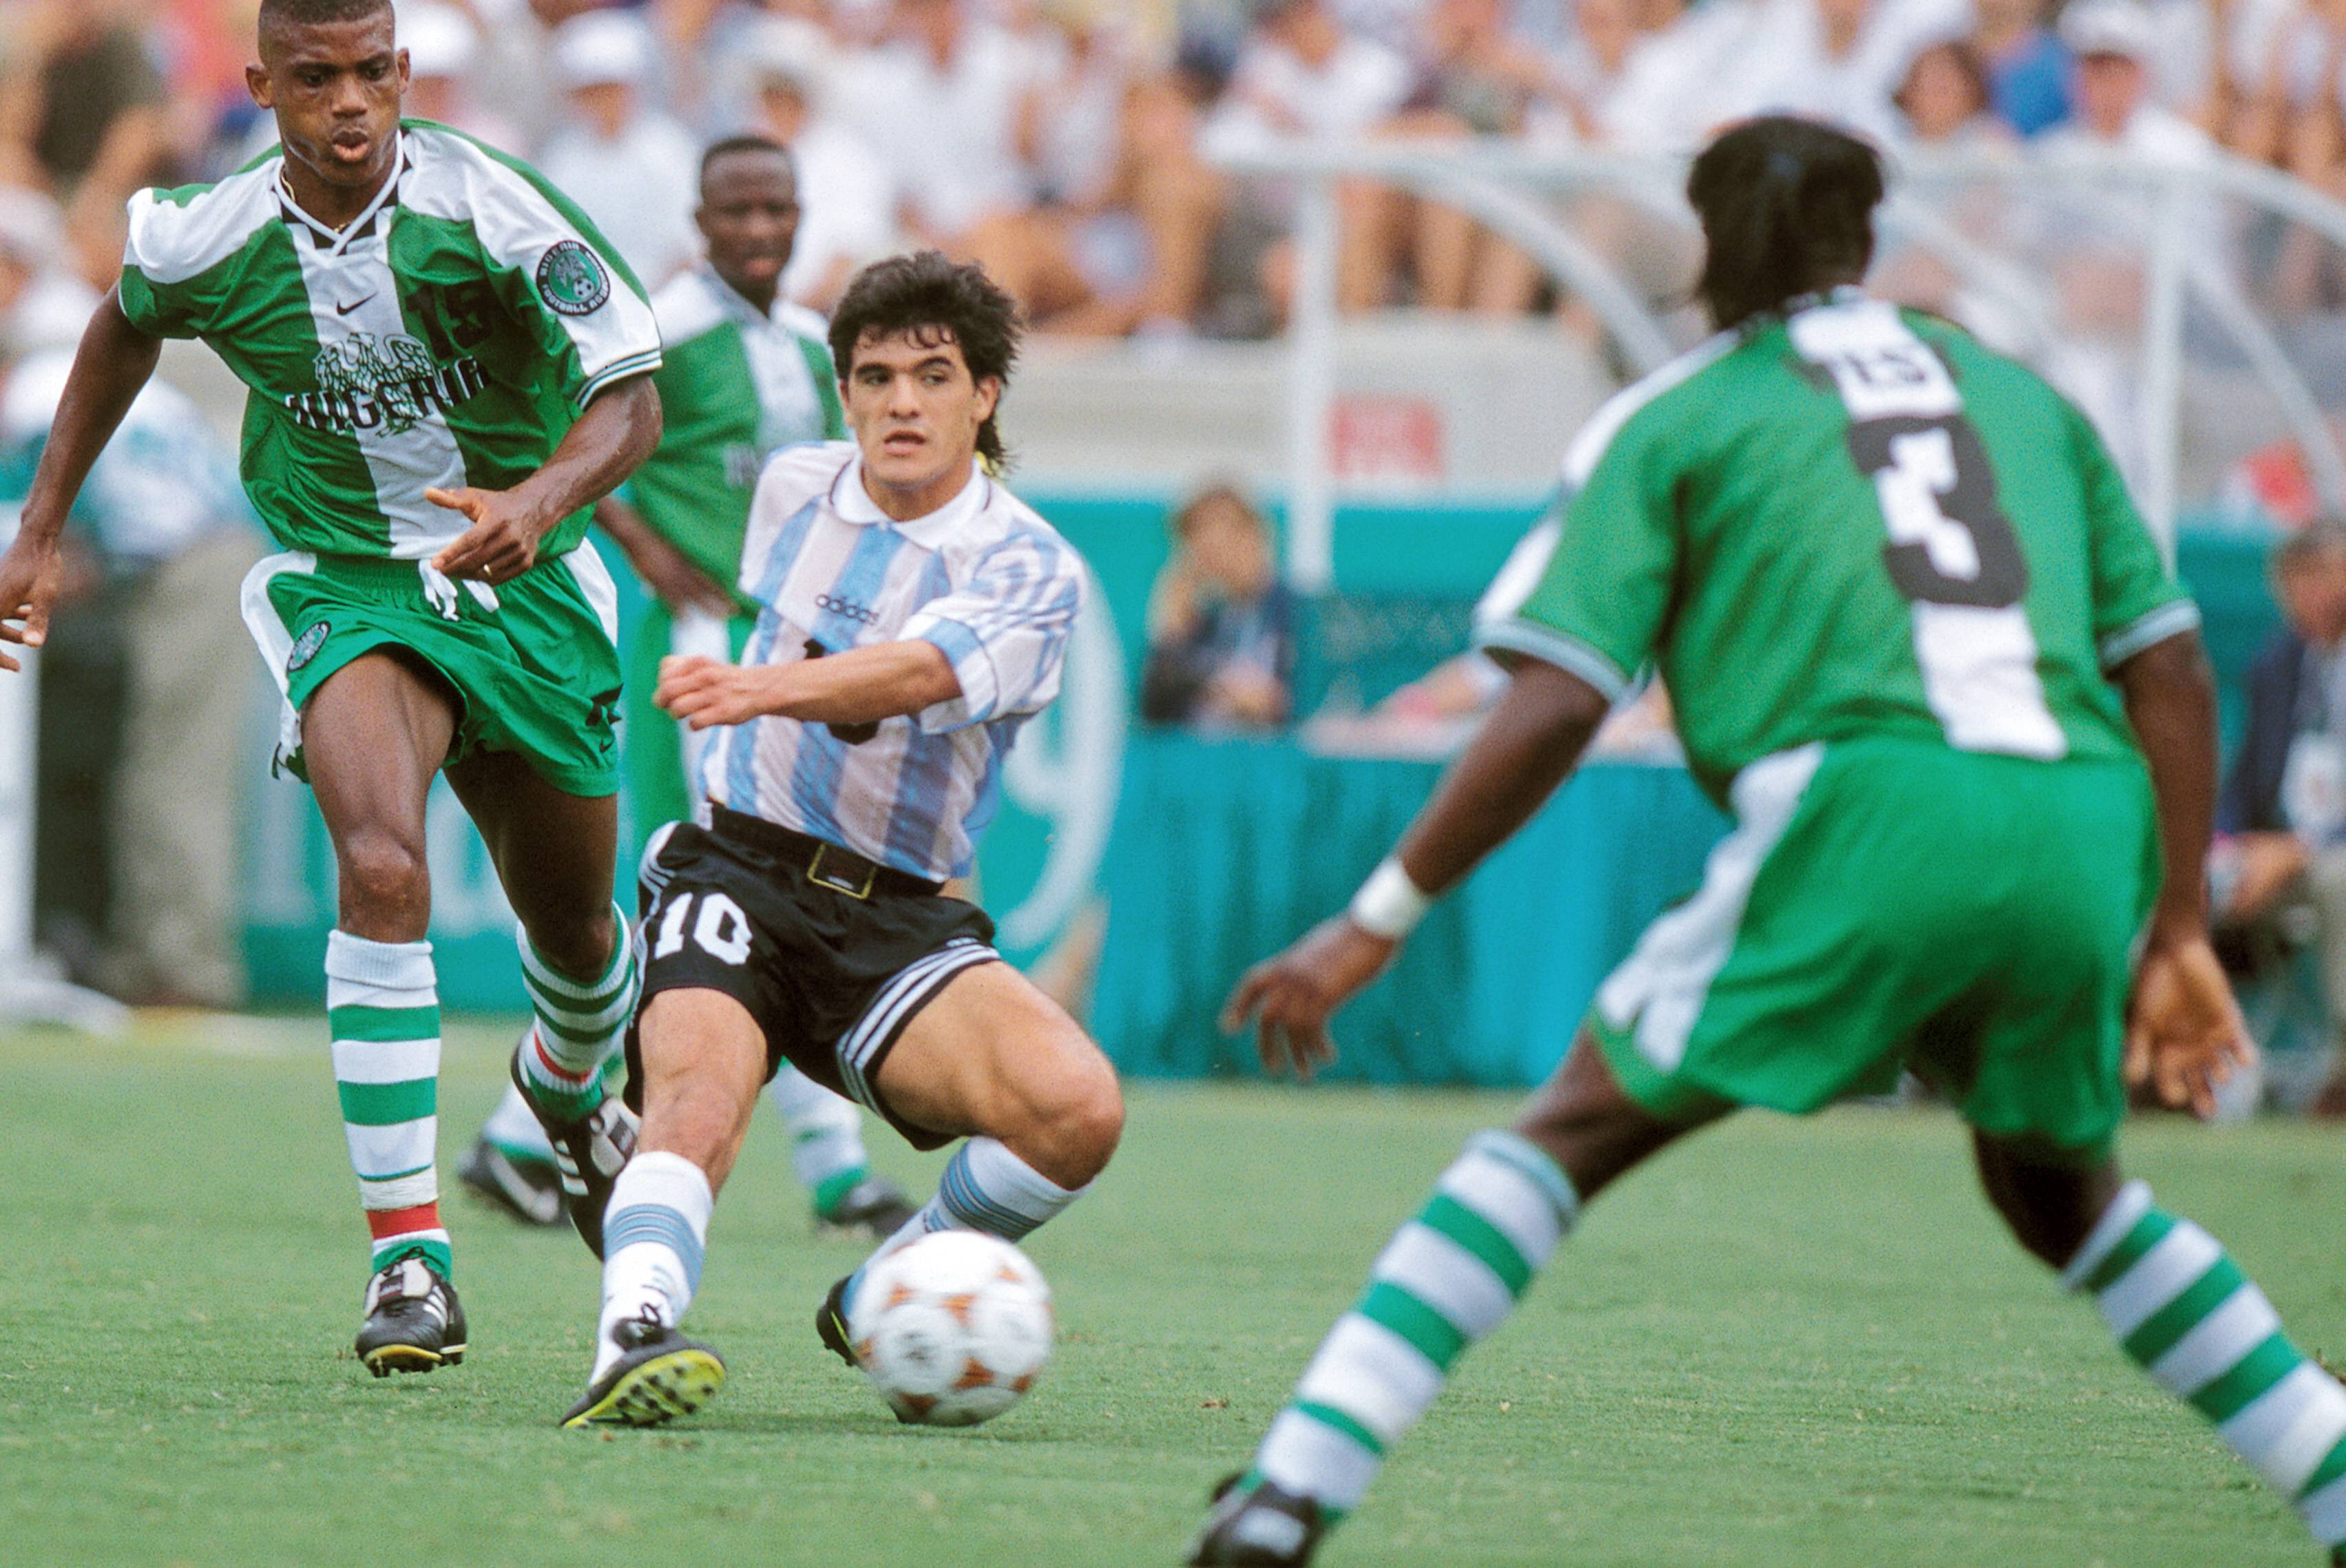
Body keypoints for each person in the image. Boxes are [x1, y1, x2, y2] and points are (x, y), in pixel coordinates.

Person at [1191, 117, 2346, 1566]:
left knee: (1561, 1134)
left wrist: (1373, 916)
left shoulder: (1677, 413)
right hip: (2074, 813)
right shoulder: (2024, 398)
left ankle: (1293, 1485)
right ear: (1865, 242)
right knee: (2060, 1192)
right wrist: (2172, 927)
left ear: (1705, 250)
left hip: (1866, 803)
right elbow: (2167, 669)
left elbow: (1555, 694)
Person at [0, 0, 664, 1377]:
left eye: (374, 74)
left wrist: (540, 498)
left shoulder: (490, 205)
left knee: (584, 947)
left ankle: (560, 1085)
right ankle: (408, 1259)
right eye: (317, 79)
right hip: (345, 577)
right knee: (380, 867)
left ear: (406, 76)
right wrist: (42, 528)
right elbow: (124, 328)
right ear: (262, 87)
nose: (351, 102)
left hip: (525, 585)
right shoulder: (206, 231)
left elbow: (629, 400)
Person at [558, 251, 1123, 1430]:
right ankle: (633, 1336)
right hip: (739, 869)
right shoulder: (793, 489)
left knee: (1077, 1109)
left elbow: (920, 668)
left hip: (896, 919)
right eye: (874, 376)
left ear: (985, 396)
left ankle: (886, 1281)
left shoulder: (1028, 564)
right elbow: (631, 444)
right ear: (844, 390)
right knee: (701, 1103)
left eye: (933, 375)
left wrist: (754, 689)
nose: (901, 402)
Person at [462, 134, 920, 1242]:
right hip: (688, 647)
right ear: (701, 222)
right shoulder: (659, 328)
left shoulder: (818, 344)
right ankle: (545, 1135)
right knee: (717, 893)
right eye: (739, 212)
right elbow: (560, 434)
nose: (761, 231)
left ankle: (523, 1141)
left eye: (779, 209)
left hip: (781, 656)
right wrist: (639, 539)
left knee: (777, 890)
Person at [1139, 481, 1295, 729]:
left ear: (1254, 534)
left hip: (1269, 760)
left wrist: (1271, 703)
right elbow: (1153, 712)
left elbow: (1313, 705)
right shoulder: (1205, 627)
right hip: (1206, 759)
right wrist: (1171, 634)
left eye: (1223, 531)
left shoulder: (1293, 615)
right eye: (1198, 538)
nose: (1211, 547)